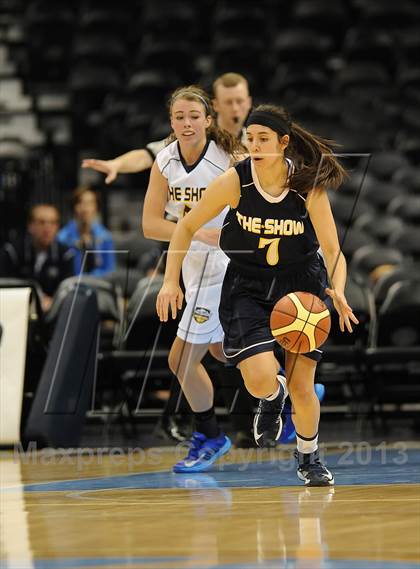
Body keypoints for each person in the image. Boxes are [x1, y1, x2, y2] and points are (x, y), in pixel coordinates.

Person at [156, 104, 359, 486]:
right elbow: (184, 227)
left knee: (303, 385)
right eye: (250, 138)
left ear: (283, 143)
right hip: (246, 285)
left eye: (263, 139)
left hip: (301, 287)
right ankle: (270, 397)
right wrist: (170, 282)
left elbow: (333, 252)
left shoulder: (306, 187)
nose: (255, 145)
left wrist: (340, 290)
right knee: (260, 379)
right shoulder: (237, 181)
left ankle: (309, 457)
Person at [142, 85, 244, 472]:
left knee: (181, 360)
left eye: (194, 116)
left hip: (225, 264)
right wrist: (191, 231)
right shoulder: (165, 161)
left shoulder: (228, 157)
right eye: (179, 117)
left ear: (207, 120)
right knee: (222, 352)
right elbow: (151, 225)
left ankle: (210, 435)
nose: (186, 124)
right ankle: (285, 392)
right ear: (171, 121)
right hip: (192, 263)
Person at [80, 72, 252, 182]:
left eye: (240, 101)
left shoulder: (256, 142)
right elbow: (149, 154)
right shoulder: (196, 135)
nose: (235, 108)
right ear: (215, 105)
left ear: (249, 102)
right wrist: (116, 164)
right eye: (229, 102)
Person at [0, 204, 74, 312]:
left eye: (52, 223)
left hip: (53, 311)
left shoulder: (66, 254)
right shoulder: (12, 252)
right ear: (30, 226)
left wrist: (54, 301)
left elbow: (69, 289)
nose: (47, 228)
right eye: (42, 222)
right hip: (17, 308)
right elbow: (5, 285)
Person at [58, 186, 116, 278]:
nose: (85, 209)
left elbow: (109, 270)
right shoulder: (62, 238)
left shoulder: (105, 237)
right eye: (80, 203)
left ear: (96, 208)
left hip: (97, 285)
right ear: (74, 207)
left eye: (90, 203)